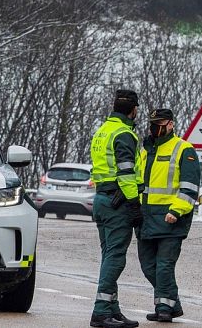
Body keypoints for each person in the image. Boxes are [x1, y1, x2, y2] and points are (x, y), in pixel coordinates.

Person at [137, 109, 199, 323]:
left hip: (171, 219)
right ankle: (174, 304)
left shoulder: (184, 149)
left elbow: (190, 187)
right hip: (145, 219)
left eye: (160, 123)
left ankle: (164, 307)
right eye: (153, 123)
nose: (155, 127)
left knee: (164, 266)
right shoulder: (145, 150)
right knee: (148, 266)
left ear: (171, 124)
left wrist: (176, 210)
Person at [89, 89, 143, 328]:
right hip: (117, 202)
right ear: (133, 109)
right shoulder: (124, 134)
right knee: (115, 258)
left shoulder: (102, 131)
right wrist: (133, 205)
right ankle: (101, 312)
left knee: (108, 256)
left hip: (102, 199)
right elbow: (126, 173)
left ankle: (112, 309)